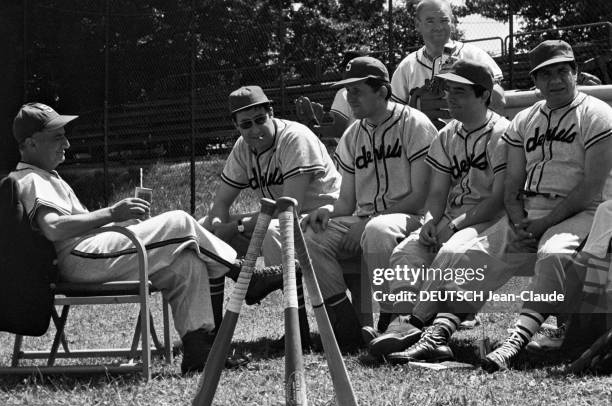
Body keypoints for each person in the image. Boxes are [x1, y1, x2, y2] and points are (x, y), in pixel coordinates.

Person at [9, 102, 281, 375]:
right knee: (179, 222)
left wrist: (119, 221)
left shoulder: (44, 176)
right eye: (57, 136)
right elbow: (54, 228)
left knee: (186, 265)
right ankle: (247, 278)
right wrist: (112, 212)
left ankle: (199, 352)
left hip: (88, 253)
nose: (66, 143)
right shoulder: (31, 178)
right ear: (31, 144)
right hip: (79, 260)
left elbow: (69, 226)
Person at [467, 39, 612, 372]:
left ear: (576, 73)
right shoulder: (525, 119)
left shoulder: (598, 114)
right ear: (535, 81)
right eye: (545, 75)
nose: (555, 81)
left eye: (563, 71)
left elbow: (590, 188)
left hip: (584, 211)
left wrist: (542, 226)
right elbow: (512, 182)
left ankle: (516, 340)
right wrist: (519, 222)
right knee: (468, 252)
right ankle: (432, 332)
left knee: (553, 253)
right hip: (527, 213)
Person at [365, 59, 510, 362]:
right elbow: (437, 192)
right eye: (448, 90)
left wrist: (453, 226)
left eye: (460, 91)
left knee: (451, 253)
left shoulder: (502, 134)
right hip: (451, 218)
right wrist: (431, 221)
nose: (450, 97)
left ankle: (414, 327)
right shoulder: (447, 135)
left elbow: (498, 200)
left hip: (489, 220)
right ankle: (400, 328)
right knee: (407, 253)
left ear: (483, 95)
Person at [301, 56, 438, 352]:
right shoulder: (353, 134)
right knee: (311, 235)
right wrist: (326, 211)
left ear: (382, 91)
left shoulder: (414, 124)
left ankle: (392, 322)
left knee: (377, 229)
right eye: (347, 91)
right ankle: (345, 325)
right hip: (365, 220)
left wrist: (364, 223)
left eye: (357, 91)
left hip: (413, 219)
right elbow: (346, 201)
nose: (349, 98)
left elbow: (421, 196)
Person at [201, 85, 341, 348]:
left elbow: (290, 206)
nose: (254, 130)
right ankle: (211, 333)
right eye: (245, 124)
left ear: (271, 113)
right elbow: (220, 202)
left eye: (259, 120)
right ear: (236, 126)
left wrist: (237, 225)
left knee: (278, 228)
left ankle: (297, 331)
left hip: (321, 216)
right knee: (201, 231)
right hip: (277, 217)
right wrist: (219, 225)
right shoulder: (243, 147)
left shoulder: (294, 137)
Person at [391, 0, 505, 116]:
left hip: (469, 132)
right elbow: (393, 115)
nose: (438, 27)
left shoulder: (474, 56)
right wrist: (416, 108)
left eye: (444, 20)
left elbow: (499, 102)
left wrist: (468, 82)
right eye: (430, 21)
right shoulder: (407, 66)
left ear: (452, 21)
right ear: (417, 25)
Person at [295, 49, 371, 140]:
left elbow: (338, 130)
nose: (342, 73)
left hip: (355, 151)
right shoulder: (374, 91)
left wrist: (312, 121)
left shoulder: (344, 93)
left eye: (343, 69)